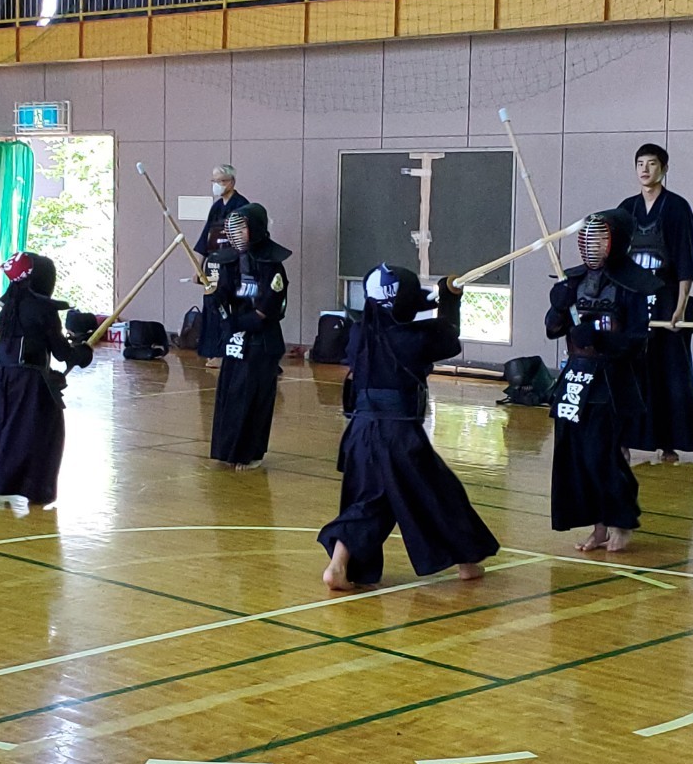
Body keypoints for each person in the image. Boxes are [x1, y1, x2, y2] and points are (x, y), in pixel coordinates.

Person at [317, 264, 499, 590]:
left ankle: (338, 566)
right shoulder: (414, 340)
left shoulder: (360, 333)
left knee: (371, 502)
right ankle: (467, 563)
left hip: (360, 434)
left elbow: (395, 315)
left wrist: (427, 299)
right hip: (398, 437)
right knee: (441, 496)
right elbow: (448, 334)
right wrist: (450, 297)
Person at [545, 209, 660, 553]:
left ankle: (621, 520)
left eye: (601, 237)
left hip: (610, 381)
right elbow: (552, 329)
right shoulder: (574, 280)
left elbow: (637, 340)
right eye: (589, 237)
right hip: (575, 380)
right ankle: (598, 527)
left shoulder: (633, 286)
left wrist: (599, 338)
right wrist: (559, 307)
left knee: (601, 455)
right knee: (575, 456)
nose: (593, 245)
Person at [0, 252, 93, 506]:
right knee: (42, 432)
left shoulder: (9, 305)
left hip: (0, 378)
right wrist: (83, 351)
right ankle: (35, 491)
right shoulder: (43, 309)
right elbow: (62, 353)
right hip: (29, 383)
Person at [618, 144, 693, 463]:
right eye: (640, 163)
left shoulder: (677, 208)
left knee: (670, 371)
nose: (645, 169)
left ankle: (669, 442)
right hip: (634, 301)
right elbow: (616, 258)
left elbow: (684, 260)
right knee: (630, 370)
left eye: (652, 164)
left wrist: (679, 308)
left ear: (663, 168)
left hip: (668, 300)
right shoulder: (626, 209)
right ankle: (624, 438)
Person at [208, 203, 290, 470]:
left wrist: (239, 321)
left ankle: (250, 453)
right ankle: (227, 450)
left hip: (262, 341)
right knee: (230, 394)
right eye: (234, 228)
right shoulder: (232, 261)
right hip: (236, 340)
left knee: (254, 398)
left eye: (241, 227)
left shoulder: (272, 265)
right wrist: (217, 299)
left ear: (254, 228)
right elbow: (227, 292)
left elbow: (267, 308)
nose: (236, 233)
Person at [192, 164, 250, 368]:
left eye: (221, 181)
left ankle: (229, 352)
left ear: (231, 182)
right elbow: (206, 238)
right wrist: (199, 268)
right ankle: (212, 350)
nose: (217, 185)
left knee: (230, 307)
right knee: (212, 304)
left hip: (234, 265)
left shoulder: (241, 205)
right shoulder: (216, 207)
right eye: (214, 181)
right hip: (214, 263)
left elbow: (245, 240)